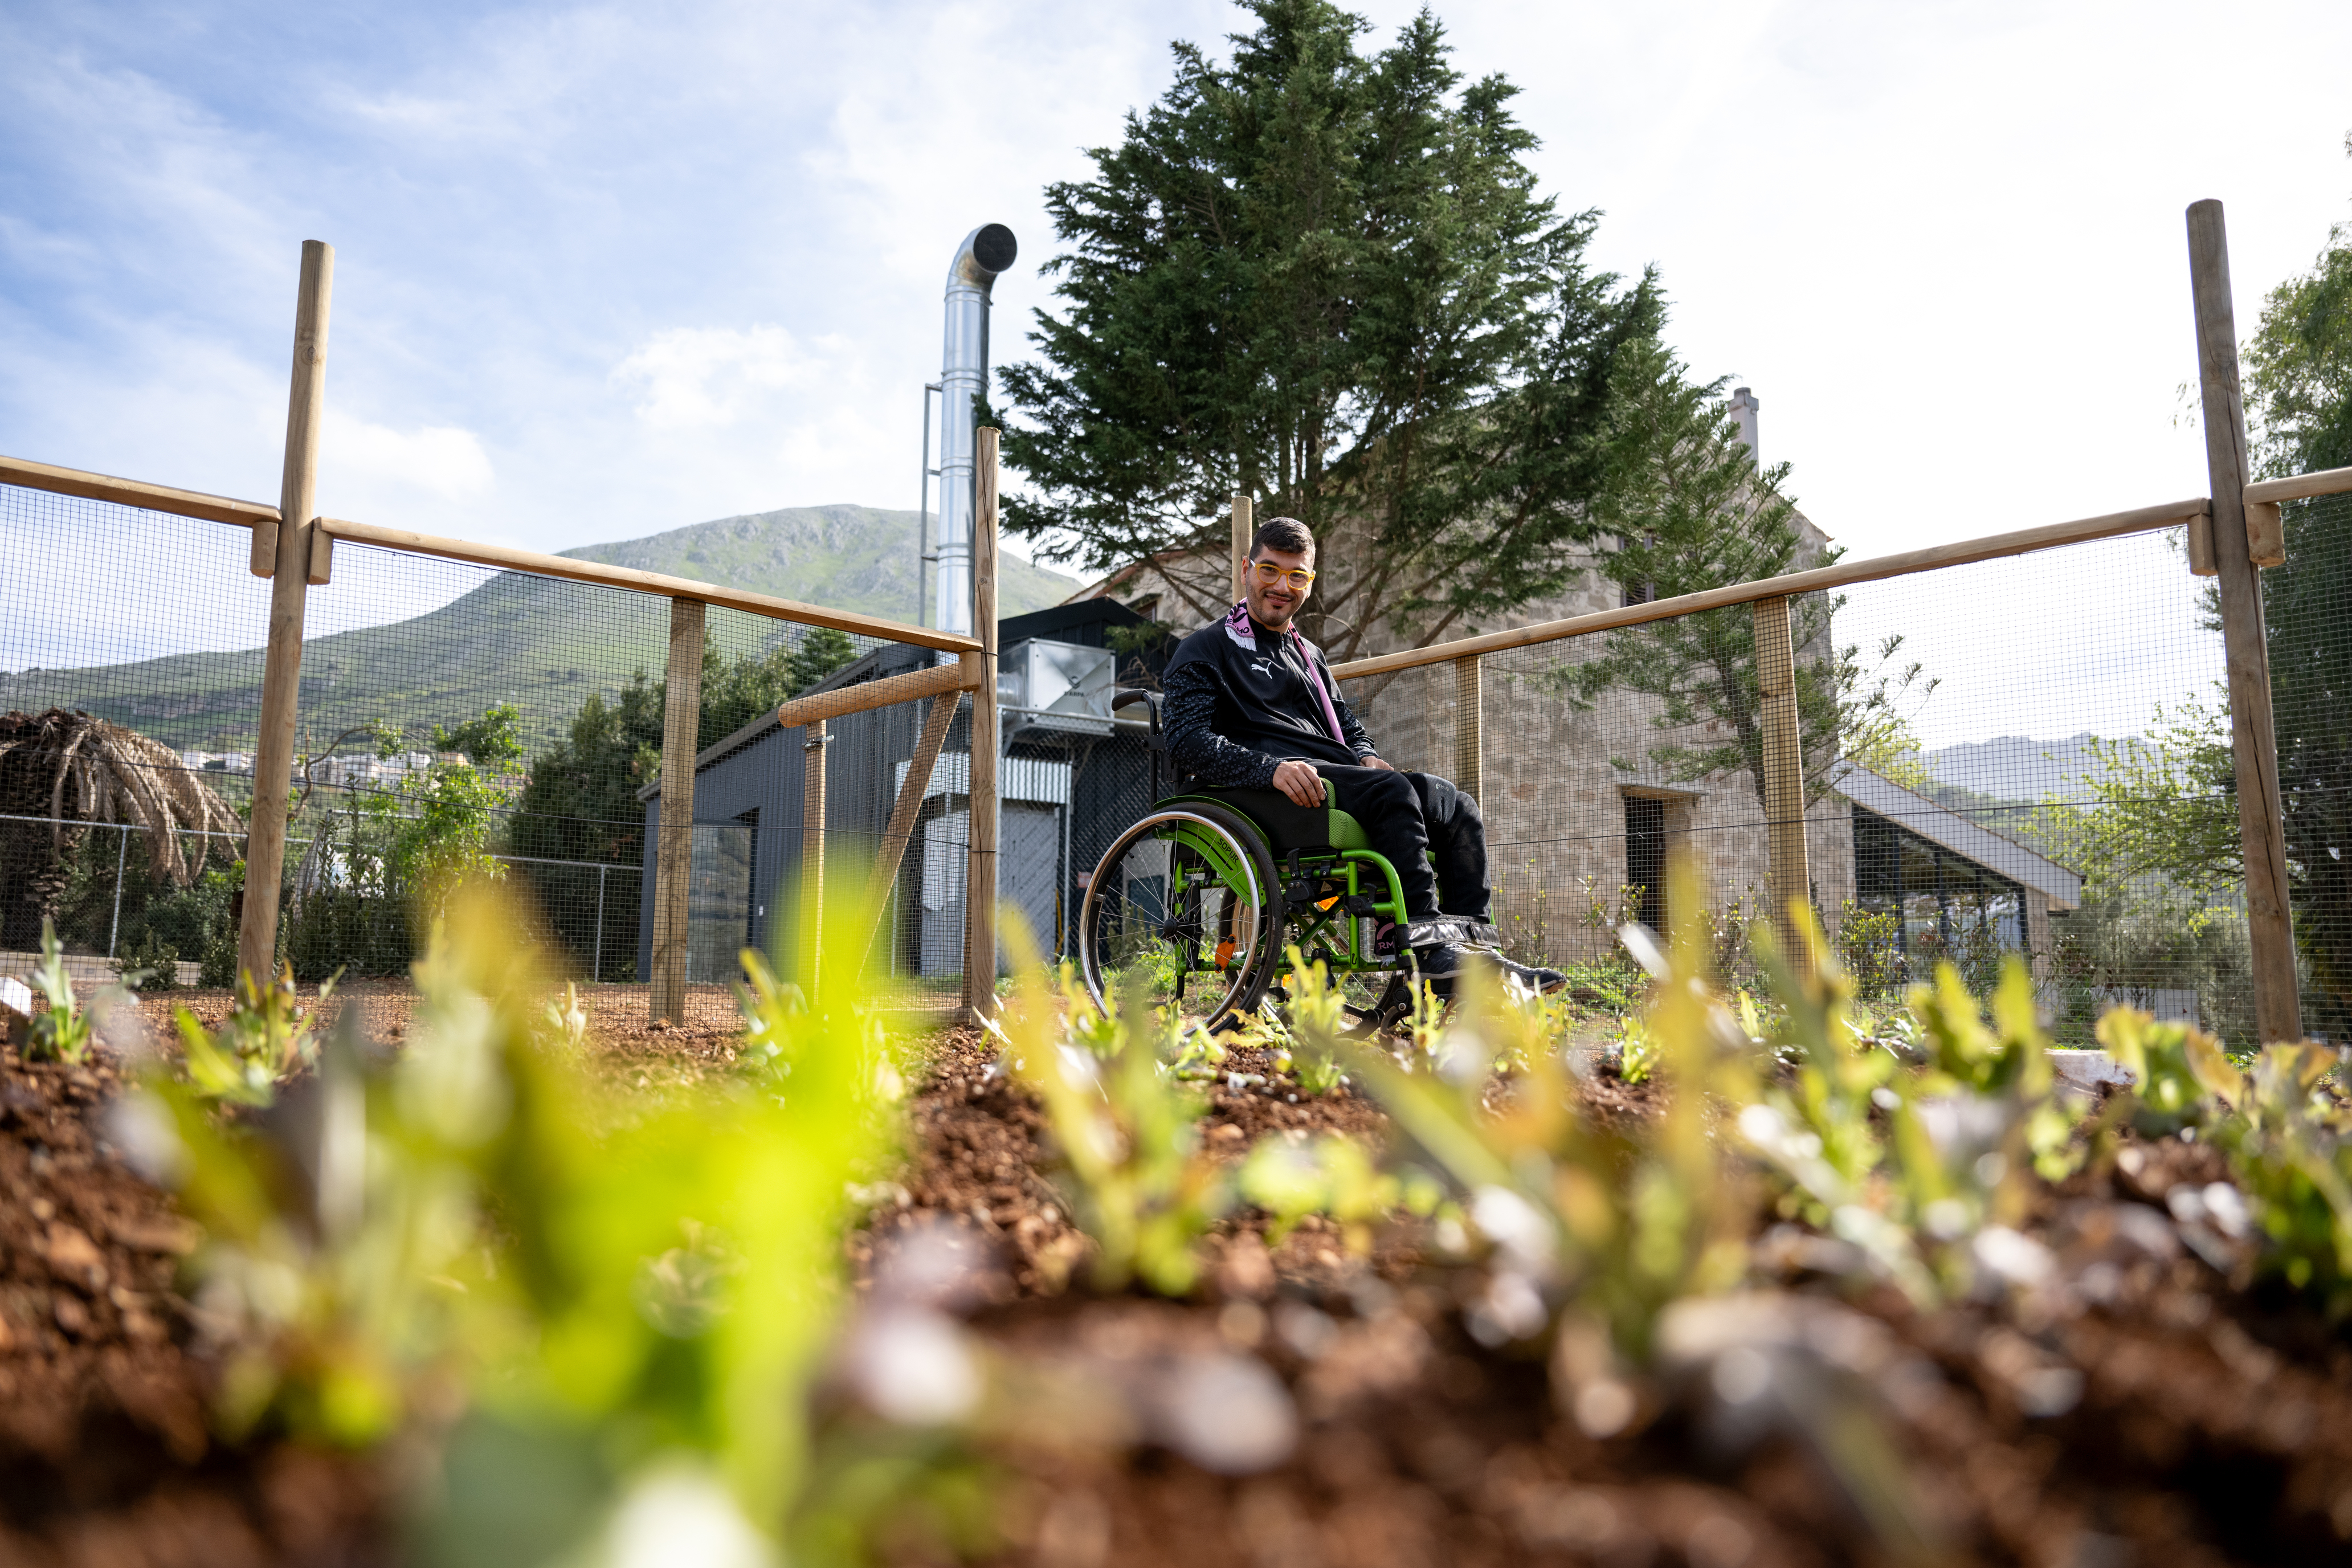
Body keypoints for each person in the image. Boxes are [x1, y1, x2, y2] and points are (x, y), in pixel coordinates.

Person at [1159, 515, 1564, 994]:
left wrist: (1367, 753)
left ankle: (1476, 952)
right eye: (1269, 570)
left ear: (1310, 582)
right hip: (1263, 790)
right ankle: (1426, 949)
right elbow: (1185, 741)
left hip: (1333, 777)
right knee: (1391, 792)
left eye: (1297, 575)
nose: (1281, 586)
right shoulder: (1205, 649)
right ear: (1247, 569)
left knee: (1456, 805)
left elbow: (1346, 724)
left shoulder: (1308, 653)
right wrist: (1270, 770)